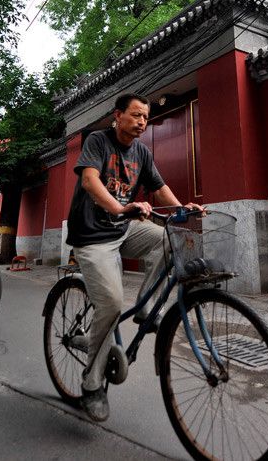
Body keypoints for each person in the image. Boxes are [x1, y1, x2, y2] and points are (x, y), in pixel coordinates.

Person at [66, 93, 204, 422]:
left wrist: (181, 208)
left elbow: (158, 187)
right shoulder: (99, 141)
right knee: (111, 306)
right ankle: (92, 384)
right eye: (136, 115)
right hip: (92, 233)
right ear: (118, 115)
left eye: (146, 117)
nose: (143, 121)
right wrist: (119, 207)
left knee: (172, 239)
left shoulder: (141, 152)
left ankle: (146, 306)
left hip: (123, 229)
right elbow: (89, 179)